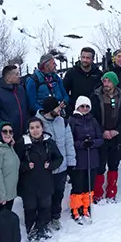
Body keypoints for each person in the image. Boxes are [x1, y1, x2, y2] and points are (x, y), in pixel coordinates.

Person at [16, 117, 59, 242]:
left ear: (42, 128)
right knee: (30, 207)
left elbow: (59, 158)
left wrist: (51, 165)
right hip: (28, 184)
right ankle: (32, 230)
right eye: (32, 128)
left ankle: (43, 228)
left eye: (37, 127)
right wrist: (25, 166)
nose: (35, 130)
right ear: (28, 130)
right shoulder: (22, 143)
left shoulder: (49, 142)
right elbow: (14, 162)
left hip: (45, 182)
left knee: (45, 206)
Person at [37, 96, 76, 230]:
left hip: (62, 166)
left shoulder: (63, 122)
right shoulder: (38, 123)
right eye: (57, 107)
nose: (60, 110)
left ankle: (55, 217)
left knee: (59, 193)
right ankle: (45, 219)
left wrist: (71, 162)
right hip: (47, 168)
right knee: (47, 196)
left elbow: (69, 143)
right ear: (49, 109)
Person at [94, 72, 121, 203]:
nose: (106, 84)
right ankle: (97, 193)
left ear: (114, 83)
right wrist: (102, 131)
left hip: (116, 135)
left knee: (114, 164)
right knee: (100, 165)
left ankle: (111, 192)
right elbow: (94, 115)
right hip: (101, 135)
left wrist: (117, 130)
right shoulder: (96, 95)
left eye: (109, 81)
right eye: (104, 81)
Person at [67, 96, 103, 222]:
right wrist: (81, 144)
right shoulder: (72, 120)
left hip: (91, 158)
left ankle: (86, 206)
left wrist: (92, 143)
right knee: (78, 185)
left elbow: (100, 138)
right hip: (79, 158)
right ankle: (76, 208)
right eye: (82, 106)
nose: (85, 108)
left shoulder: (92, 120)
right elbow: (69, 140)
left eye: (87, 106)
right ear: (77, 107)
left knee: (89, 185)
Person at [0, 64, 27, 137]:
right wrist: (4, 126)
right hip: (7, 136)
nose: (19, 77)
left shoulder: (21, 90)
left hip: (24, 134)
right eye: (17, 74)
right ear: (8, 78)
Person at [62, 47, 103, 118]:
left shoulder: (98, 74)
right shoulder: (71, 73)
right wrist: (69, 108)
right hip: (76, 112)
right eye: (83, 57)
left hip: (94, 113)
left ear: (93, 59)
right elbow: (64, 92)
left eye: (88, 58)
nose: (85, 60)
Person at [24, 53, 68, 118]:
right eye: (53, 63)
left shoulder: (56, 77)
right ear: (46, 66)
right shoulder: (33, 81)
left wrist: (64, 102)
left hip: (59, 114)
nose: (56, 65)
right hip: (43, 118)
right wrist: (46, 112)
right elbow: (32, 104)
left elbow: (65, 95)